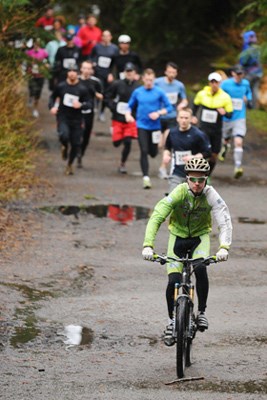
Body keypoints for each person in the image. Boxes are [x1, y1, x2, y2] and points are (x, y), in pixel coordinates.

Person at [142, 157, 232, 346]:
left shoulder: (210, 194)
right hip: (178, 238)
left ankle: (202, 313)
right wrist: (148, 245)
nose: (197, 184)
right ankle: (171, 321)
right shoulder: (179, 192)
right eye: (193, 179)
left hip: (200, 237)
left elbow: (224, 221)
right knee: (173, 281)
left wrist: (224, 247)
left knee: (200, 268)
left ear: (206, 179)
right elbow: (158, 215)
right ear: (187, 179)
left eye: (201, 180)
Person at [126, 68, 172, 189]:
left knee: (153, 152)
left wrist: (159, 113)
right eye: (147, 80)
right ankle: (146, 177)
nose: (149, 82)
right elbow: (129, 106)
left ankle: (153, 151)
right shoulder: (137, 92)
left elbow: (169, 107)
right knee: (144, 150)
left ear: (154, 79)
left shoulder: (159, 92)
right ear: (143, 79)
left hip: (155, 127)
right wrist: (128, 115)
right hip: (141, 125)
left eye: (151, 80)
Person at [49, 64, 91, 175]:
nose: (72, 73)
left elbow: (89, 104)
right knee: (64, 135)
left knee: (76, 143)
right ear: (67, 73)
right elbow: (52, 97)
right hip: (63, 117)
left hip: (77, 119)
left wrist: (81, 105)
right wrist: (52, 107)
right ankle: (64, 146)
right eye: (70, 71)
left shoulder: (82, 89)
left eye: (74, 71)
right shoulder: (61, 86)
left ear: (78, 73)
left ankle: (69, 164)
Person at [192, 72, 233, 175]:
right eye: (212, 82)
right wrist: (193, 116)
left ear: (219, 83)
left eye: (216, 82)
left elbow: (230, 114)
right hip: (203, 128)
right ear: (209, 83)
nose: (214, 84)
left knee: (214, 154)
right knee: (202, 151)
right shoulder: (202, 94)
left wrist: (225, 113)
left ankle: (208, 174)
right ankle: (198, 173)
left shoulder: (225, 97)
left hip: (216, 129)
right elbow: (195, 105)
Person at [164, 107, 211, 192]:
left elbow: (207, 152)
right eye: (181, 118)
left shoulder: (198, 134)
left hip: (195, 174)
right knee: (173, 198)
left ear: (191, 119)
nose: (183, 120)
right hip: (177, 173)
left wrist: (194, 157)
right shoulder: (172, 133)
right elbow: (167, 147)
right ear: (177, 118)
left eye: (186, 118)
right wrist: (166, 155)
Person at [155, 62, 188, 179]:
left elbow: (184, 100)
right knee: (158, 144)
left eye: (174, 72)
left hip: (172, 117)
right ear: (165, 72)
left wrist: (181, 105)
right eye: (170, 72)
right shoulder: (157, 83)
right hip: (158, 117)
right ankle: (155, 151)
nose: (172, 74)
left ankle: (163, 167)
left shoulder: (179, 85)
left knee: (167, 143)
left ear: (177, 73)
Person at [105, 62, 140, 174]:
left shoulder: (138, 87)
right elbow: (107, 97)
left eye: (131, 71)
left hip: (131, 119)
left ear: (135, 73)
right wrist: (113, 107)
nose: (129, 73)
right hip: (117, 118)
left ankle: (122, 163)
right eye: (127, 71)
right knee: (116, 143)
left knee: (128, 141)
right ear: (124, 72)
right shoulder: (117, 84)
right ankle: (117, 137)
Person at [219, 65, 253, 179]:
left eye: (241, 74)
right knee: (226, 138)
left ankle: (238, 167)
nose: (239, 76)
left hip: (240, 117)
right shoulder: (226, 84)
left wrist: (247, 100)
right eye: (237, 73)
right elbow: (219, 95)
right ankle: (225, 145)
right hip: (227, 117)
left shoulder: (246, 83)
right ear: (232, 73)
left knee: (238, 141)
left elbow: (249, 94)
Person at [78, 60, 103, 167]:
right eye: (85, 68)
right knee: (77, 132)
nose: (87, 70)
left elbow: (101, 96)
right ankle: (75, 149)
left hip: (89, 111)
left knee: (86, 135)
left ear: (92, 70)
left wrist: (95, 93)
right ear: (81, 69)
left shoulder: (96, 82)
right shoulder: (76, 80)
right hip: (76, 111)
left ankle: (80, 154)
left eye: (89, 68)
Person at [90, 30, 119, 121]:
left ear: (110, 37)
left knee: (106, 94)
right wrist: (93, 64)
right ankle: (95, 107)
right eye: (104, 36)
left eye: (107, 36)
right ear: (102, 37)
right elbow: (91, 57)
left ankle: (102, 111)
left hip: (107, 74)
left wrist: (111, 74)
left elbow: (116, 63)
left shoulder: (114, 49)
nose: (106, 38)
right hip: (97, 72)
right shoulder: (97, 47)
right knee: (96, 91)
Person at [239, 31, 263, 108]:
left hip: (250, 73)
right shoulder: (258, 48)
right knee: (254, 89)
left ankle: (244, 105)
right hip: (259, 73)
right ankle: (254, 107)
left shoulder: (247, 49)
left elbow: (243, 61)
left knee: (245, 87)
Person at [25, 38, 49, 117]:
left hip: (40, 75)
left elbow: (47, 62)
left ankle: (35, 109)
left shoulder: (43, 52)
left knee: (38, 92)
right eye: (35, 43)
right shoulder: (29, 52)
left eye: (38, 43)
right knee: (31, 89)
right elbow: (26, 63)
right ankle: (30, 98)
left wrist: (45, 66)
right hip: (31, 74)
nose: (36, 44)